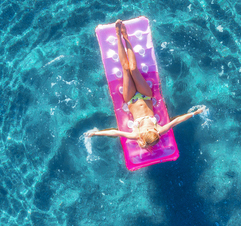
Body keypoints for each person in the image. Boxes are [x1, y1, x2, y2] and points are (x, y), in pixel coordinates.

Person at [87, 20, 206, 149]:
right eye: (154, 132)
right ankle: (126, 38)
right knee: (133, 68)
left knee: (125, 69)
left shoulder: (136, 134)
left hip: (131, 99)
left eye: (150, 132)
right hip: (145, 95)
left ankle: (117, 35)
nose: (152, 130)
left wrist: (96, 133)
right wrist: (195, 112)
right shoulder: (159, 130)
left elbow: (115, 132)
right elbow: (176, 121)